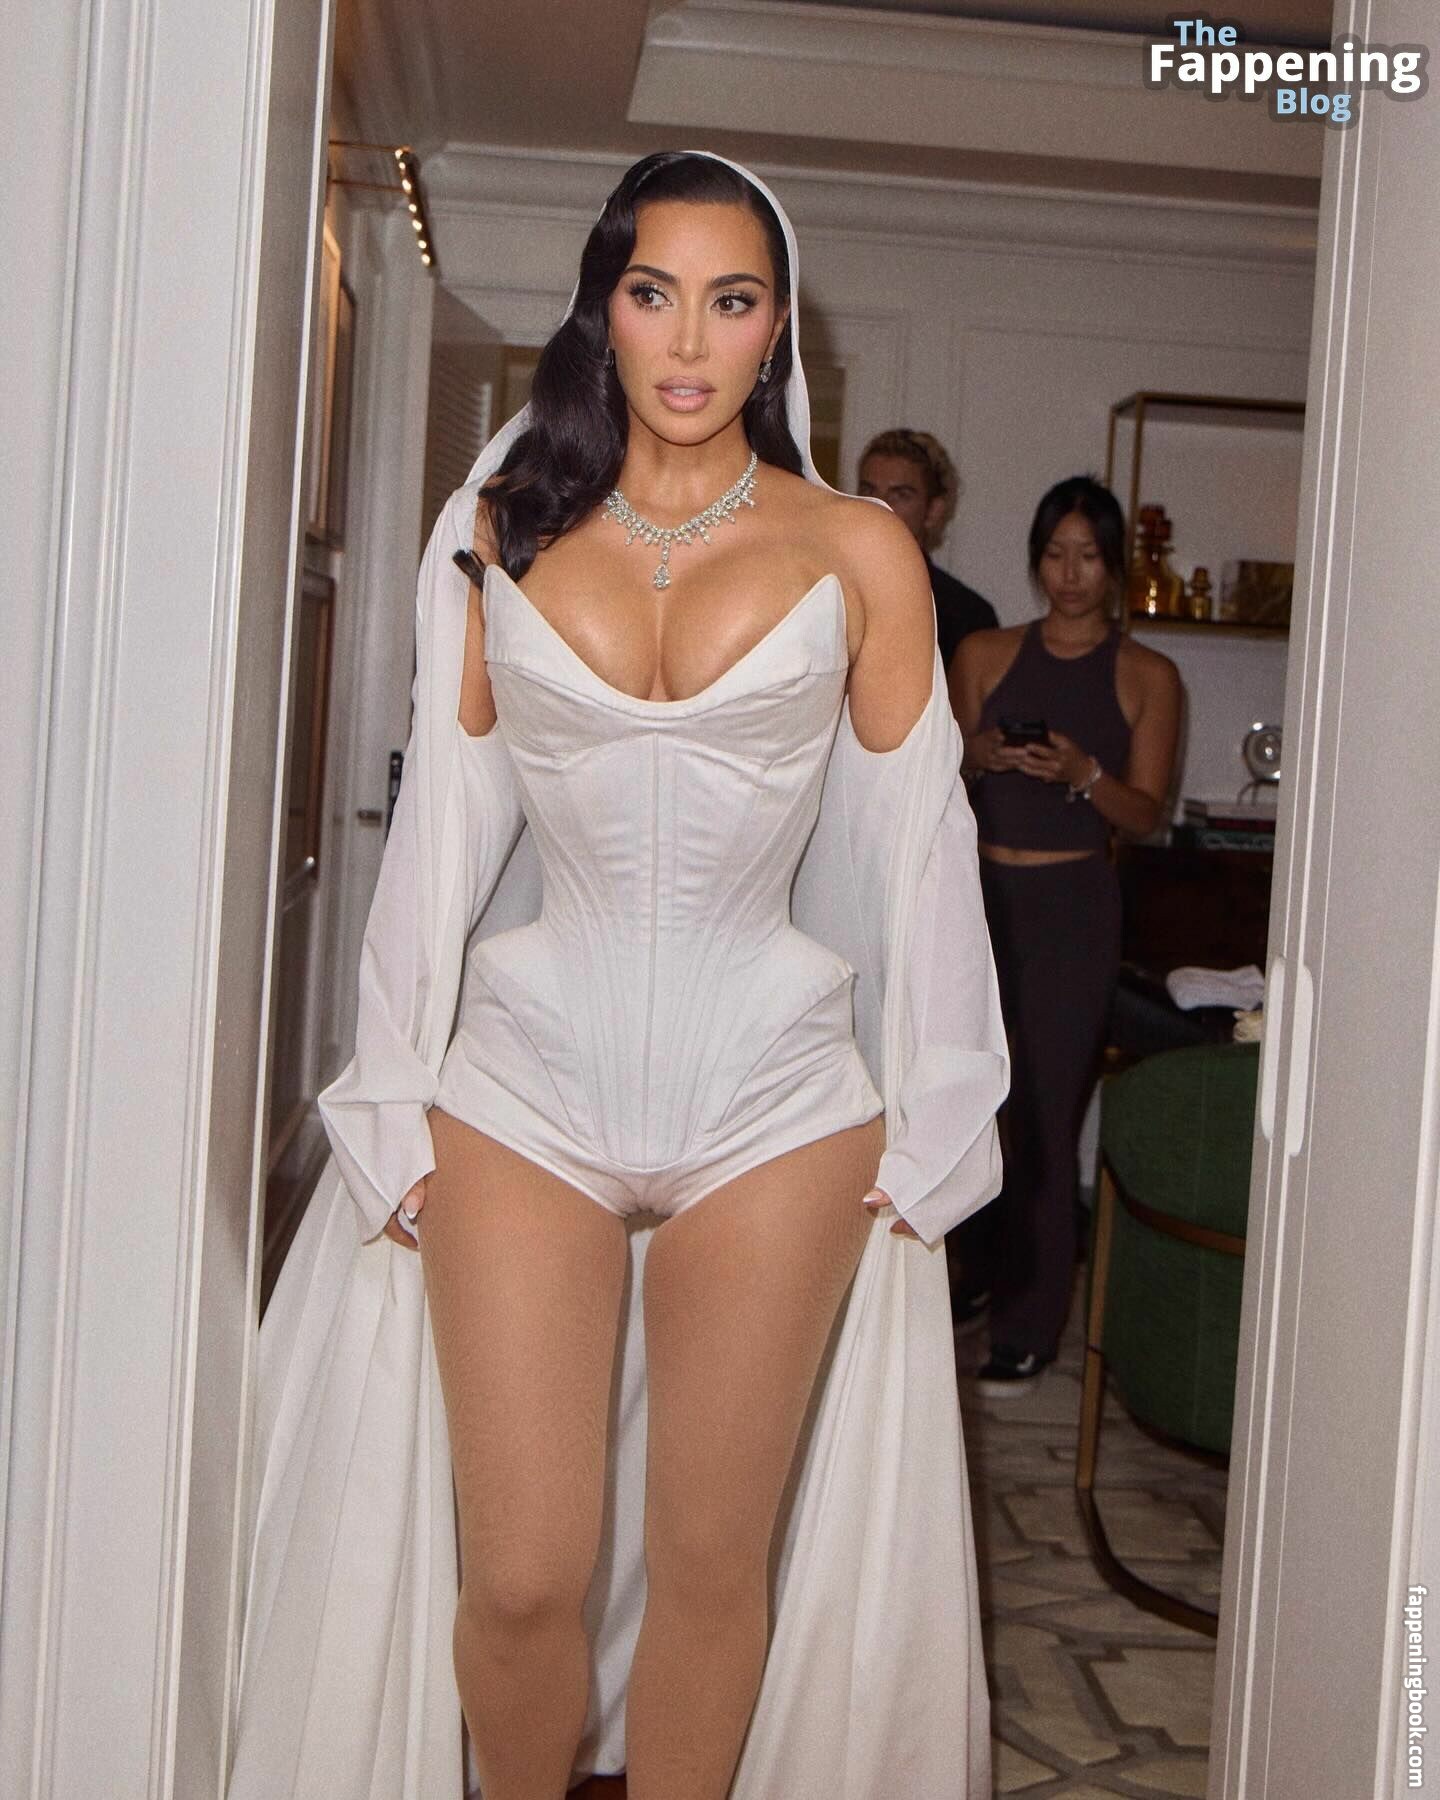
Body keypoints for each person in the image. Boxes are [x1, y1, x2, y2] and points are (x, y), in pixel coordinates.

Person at [229, 152, 1009, 1799]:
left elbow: (921, 845)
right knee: (525, 1576)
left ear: (778, 328)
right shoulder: (500, 534)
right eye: (655, 293)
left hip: (778, 1104)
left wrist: (947, 1101)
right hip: (526, 1086)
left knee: (712, 1570)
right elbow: (440, 837)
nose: (690, 340)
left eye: (732, 301)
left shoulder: (858, 550)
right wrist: (387, 1081)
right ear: (605, 308)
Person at [948, 476, 1180, 1395]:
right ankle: (967, 1280)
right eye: (1054, 554)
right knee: (964, 1101)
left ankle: (1029, 1323)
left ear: (1115, 566)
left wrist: (1084, 773)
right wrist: (978, 753)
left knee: (1044, 1117)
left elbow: (1147, 816)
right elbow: (928, 769)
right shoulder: (983, 652)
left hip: (1073, 909)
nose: (1069, 574)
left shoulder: (1148, 675)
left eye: (1087, 556)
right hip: (975, 900)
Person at [858, 427, 997, 669]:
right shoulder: (827, 589)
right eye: (869, 490)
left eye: (900, 495)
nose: (879, 505)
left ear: (933, 511)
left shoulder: (966, 614)